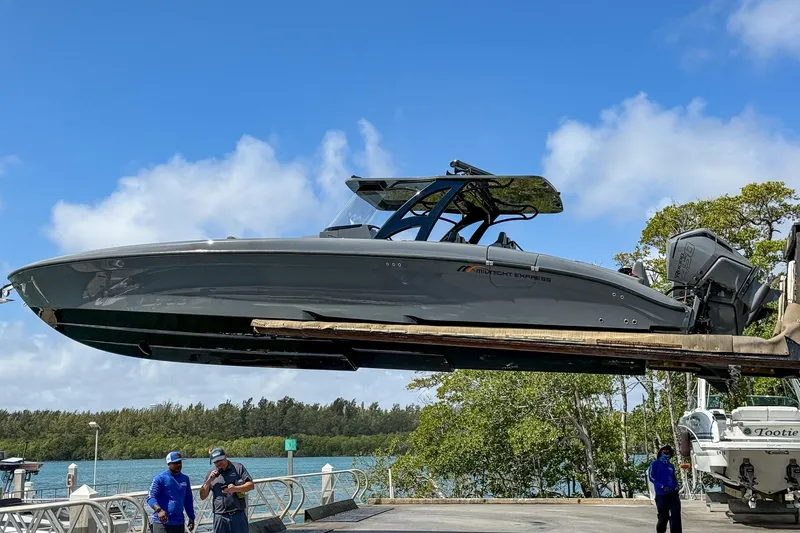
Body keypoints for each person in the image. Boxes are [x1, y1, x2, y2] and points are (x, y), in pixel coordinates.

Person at [199, 447, 255, 533]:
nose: (218, 464)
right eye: (215, 462)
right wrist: (209, 481)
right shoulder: (211, 474)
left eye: (220, 460)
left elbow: (251, 485)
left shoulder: (238, 467)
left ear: (225, 457)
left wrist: (235, 489)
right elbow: (202, 496)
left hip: (238, 514)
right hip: (220, 517)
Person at [146, 451, 195, 533]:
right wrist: (159, 510)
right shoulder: (160, 478)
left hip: (179, 523)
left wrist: (191, 517)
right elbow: (150, 496)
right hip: (162, 522)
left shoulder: (185, 479)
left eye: (180, 462)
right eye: (175, 463)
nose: (179, 465)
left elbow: (188, 500)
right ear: (169, 464)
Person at [648, 444, 682, 533]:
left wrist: (676, 486)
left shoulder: (671, 466)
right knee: (663, 518)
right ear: (661, 453)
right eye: (665, 451)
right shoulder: (654, 464)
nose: (667, 453)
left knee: (676, 516)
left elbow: (674, 478)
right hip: (661, 495)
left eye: (669, 452)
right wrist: (661, 486)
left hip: (673, 494)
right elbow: (651, 477)